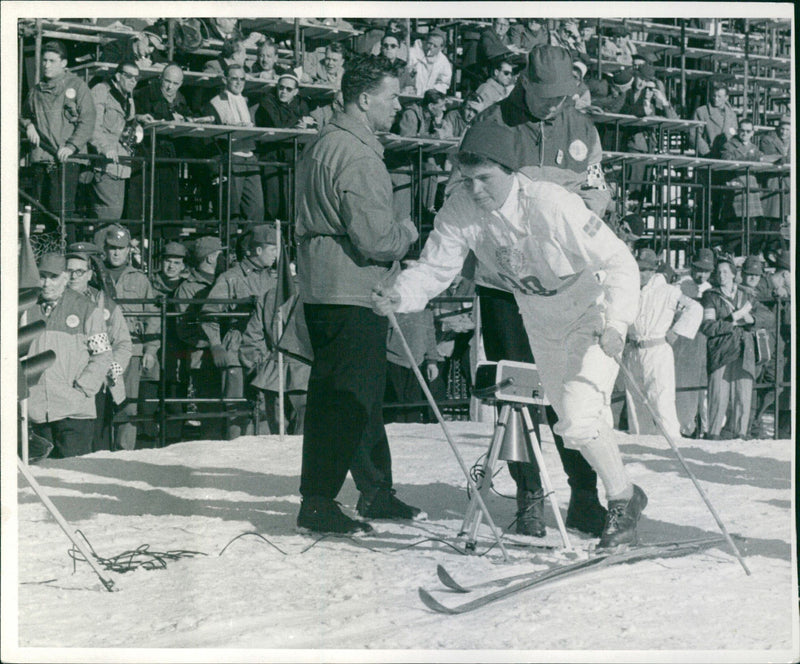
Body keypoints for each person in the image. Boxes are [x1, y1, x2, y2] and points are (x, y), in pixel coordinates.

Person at [372, 123, 646, 549]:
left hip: (588, 310)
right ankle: (626, 494)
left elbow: (621, 262)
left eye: (486, 178)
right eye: (468, 179)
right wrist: (399, 294)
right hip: (538, 318)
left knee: (577, 418)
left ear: (510, 170)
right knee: (571, 421)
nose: (476, 189)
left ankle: (623, 501)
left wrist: (618, 324)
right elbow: (435, 269)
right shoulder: (461, 209)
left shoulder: (550, 203)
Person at [466, 45, 614, 536]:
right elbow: (470, 197)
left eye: (562, 96)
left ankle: (584, 496)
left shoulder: (582, 128)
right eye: (545, 96)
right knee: (518, 392)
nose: (553, 105)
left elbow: (596, 192)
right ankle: (529, 497)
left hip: (564, 287)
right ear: (523, 82)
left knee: (571, 388)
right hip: (507, 284)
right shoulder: (491, 125)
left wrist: (576, 221)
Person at [294, 55, 419, 534]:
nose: (398, 105)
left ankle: (375, 490)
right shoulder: (360, 154)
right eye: (392, 96)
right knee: (346, 399)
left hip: (323, 286)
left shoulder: (326, 141)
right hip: (354, 288)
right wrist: (406, 233)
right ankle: (320, 501)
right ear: (365, 100)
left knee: (354, 393)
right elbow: (374, 238)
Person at [27, 253, 112, 458]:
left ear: (65, 277)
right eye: (42, 276)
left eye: (53, 277)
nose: (47, 283)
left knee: (73, 472)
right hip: (36, 411)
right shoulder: (26, 309)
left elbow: (103, 355)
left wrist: (82, 389)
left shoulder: (86, 309)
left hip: (74, 412)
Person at [201, 225, 277, 439]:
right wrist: (215, 344)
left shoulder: (271, 279)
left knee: (264, 412)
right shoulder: (231, 278)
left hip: (265, 352)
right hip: (236, 350)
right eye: (272, 249)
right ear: (258, 250)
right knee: (237, 412)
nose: (276, 254)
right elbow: (209, 313)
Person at [622, 249, 703, 439]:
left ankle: (669, 443)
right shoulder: (631, 290)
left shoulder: (668, 292)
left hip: (657, 350)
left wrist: (676, 331)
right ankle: (639, 442)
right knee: (635, 401)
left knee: (660, 400)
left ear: (652, 271)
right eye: (638, 269)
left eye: (645, 270)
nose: (641, 274)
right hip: (634, 349)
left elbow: (695, 308)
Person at [20, 40, 96, 234]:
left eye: (52, 61)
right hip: (41, 159)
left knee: (60, 210)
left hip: (65, 159)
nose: (46, 65)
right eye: (44, 60)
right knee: (39, 211)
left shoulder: (78, 86)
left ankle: (67, 255)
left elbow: (88, 121)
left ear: (63, 63)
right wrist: (28, 126)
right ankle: (45, 258)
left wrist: (71, 147)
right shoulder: (36, 91)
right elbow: (24, 115)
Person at [65, 241, 132, 451]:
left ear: (90, 272)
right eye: (69, 271)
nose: (74, 276)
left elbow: (122, 342)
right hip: (65, 382)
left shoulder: (104, 303)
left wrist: (114, 366)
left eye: (79, 271)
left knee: (97, 441)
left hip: (97, 384)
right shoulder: (54, 302)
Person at [98, 223, 161, 449]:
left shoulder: (139, 279)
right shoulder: (95, 276)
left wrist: (150, 350)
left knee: (127, 403)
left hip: (131, 351)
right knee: (100, 402)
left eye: (121, 248)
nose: (116, 252)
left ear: (128, 251)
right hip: (99, 350)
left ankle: (125, 452)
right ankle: (101, 450)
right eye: (112, 248)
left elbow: (152, 317)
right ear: (105, 249)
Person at [700, 255, 763, 440]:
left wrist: (752, 320)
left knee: (743, 397)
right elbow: (708, 326)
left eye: (726, 272)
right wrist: (732, 321)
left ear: (734, 274)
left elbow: (767, 317)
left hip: (745, 351)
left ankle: (740, 435)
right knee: (718, 396)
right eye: (718, 272)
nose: (722, 276)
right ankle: (713, 434)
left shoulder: (747, 295)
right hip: (721, 351)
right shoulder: (710, 296)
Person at [127, 63, 191, 235]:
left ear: (181, 83)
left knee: (168, 205)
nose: (170, 87)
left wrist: (185, 120)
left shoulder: (181, 99)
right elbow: (132, 117)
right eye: (167, 81)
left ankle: (166, 242)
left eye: (175, 84)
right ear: (160, 78)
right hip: (147, 155)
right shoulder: (145, 94)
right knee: (146, 204)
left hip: (169, 157)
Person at [174, 236, 225, 440]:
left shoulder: (225, 279)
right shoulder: (188, 288)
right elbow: (184, 329)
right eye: (220, 253)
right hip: (203, 357)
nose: (224, 257)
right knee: (210, 412)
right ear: (211, 258)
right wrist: (212, 342)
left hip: (224, 352)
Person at [203, 63, 265, 228]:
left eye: (242, 79)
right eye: (234, 79)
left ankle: (250, 250)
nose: (239, 83)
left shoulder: (247, 100)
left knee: (256, 208)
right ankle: (230, 250)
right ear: (225, 80)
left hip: (249, 158)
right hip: (231, 157)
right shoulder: (215, 103)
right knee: (231, 209)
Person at [89, 61, 140, 221]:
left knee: (115, 215)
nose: (133, 81)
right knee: (107, 216)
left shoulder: (128, 97)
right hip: (104, 163)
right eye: (129, 76)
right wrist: (104, 147)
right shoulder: (101, 91)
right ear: (118, 76)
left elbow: (126, 123)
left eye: (136, 78)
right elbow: (92, 125)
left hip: (122, 164)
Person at [673, 248, 715, 438]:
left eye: (706, 271)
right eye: (699, 269)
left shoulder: (710, 288)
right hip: (685, 344)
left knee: (704, 387)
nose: (702, 274)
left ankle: (704, 427)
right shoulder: (680, 286)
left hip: (705, 341)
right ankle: (685, 427)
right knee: (685, 387)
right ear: (692, 266)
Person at [384, 310, 441, 423]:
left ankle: (411, 434)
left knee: (414, 406)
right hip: (393, 360)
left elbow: (430, 335)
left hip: (417, 362)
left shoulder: (425, 309)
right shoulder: (394, 306)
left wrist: (432, 361)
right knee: (394, 406)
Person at [758, 114, 791, 234]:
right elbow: (772, 157)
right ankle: (761, 248)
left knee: (785, 216)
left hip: (788, 182)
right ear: (778, 128)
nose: (784, 132)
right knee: (770, 216)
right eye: (782, 129)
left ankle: (775, 248)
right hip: (773, 181)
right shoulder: (768, 139)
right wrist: (785, 159)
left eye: (787, 130)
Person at [691, 80, 738, 158]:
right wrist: (706, 152)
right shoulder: (702, 112)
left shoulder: (732, 115)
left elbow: (734, 136)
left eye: (719, 96)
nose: (716, 99)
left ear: (726, 97)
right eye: (714, 96)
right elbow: (694, 135)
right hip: (708, 156)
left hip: (727, 156)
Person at [404, 30, 452, 96]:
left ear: (441, 48)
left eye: (435, 46)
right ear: (425, 41)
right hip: (410, 95)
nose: (431, 47)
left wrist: (433, 92)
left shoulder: (443, 62)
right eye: (429, 43)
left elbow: (444, 83)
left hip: (429, 99)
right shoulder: (412, 54)